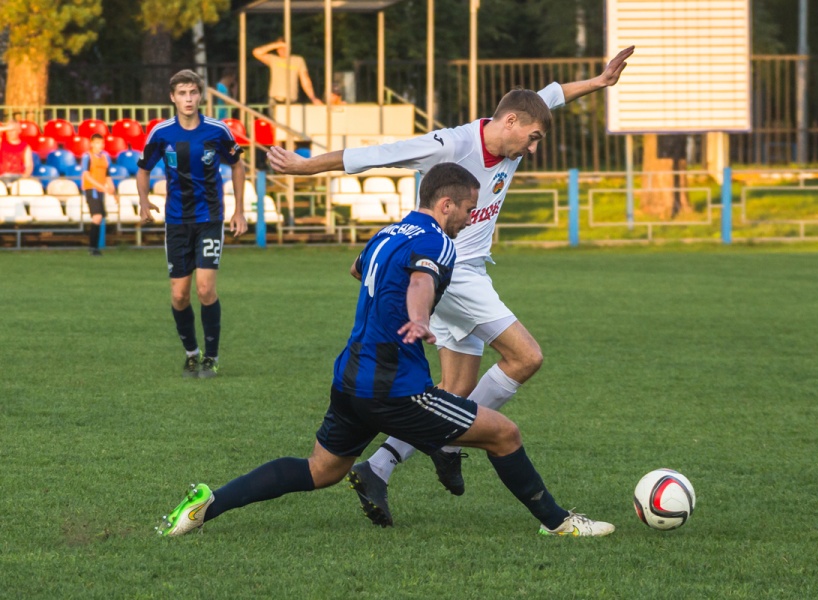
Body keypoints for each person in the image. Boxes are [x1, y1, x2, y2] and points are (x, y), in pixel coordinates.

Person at [266, 46, 635, 525]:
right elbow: (377, 155)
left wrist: (599, 82)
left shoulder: (518, 122)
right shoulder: (452, 145)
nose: (533, 149)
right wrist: (303, 167)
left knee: (456, 388)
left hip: (468, 269)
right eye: (533, 138)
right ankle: (449, 441)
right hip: (449, 268)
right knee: (526, 357)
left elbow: (552, 95)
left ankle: (379, 467)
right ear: (511, 122)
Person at [154, 162, 614, 538]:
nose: (471, 218)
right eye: (468, 209)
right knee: (504, 434)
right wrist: (418, 315)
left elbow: (358, 269)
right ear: (446, 204)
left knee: (321, 470)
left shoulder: (389, 232)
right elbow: (421, 280)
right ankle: (559, 523)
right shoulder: (439, 242)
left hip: (350, 376)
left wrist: (404, 300)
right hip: (395, 389)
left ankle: (208, 504)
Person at [136, 69, 248, 378]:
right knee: (179, 295)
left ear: (200, 96)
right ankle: (191, 353)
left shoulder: (217, 130)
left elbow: (237, 166)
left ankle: (211, 357)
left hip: (209, 218)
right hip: (176, 221)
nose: (188, 99)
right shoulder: (161, 132)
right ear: (172, 97)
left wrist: (239, 211)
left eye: (193, 93)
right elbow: (143, 168)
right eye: (182, 93)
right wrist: (143, 200)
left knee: (205, 289)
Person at [253, 39, 323, 107]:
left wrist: (313, 98)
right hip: (275, 100)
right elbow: (256, 52)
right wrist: (276, 45)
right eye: (280, 49)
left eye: (285, 48)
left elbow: (305, 80)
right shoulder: (273, 59)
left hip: (292, 100)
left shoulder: (298, 60)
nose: (282, 50)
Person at [81, 134, 119, 256]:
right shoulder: (87, 156)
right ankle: (93, 247)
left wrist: (113, 190)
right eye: (97, 143)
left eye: (101, 143)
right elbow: (86, 175)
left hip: (101, 190)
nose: (100, 145)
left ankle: (95, 247)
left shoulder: (104, 157)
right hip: (91, 189)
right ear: (92, 143)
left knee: (100, 217)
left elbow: (107, 175)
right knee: (97, 216)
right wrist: (101, 186)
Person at [0, 119, 34, 186]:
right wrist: (6, 128)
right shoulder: (1, 143)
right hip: (3, 177)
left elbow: (29, 166)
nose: (10, 133)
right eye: (8, 131)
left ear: (19, 131)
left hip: (19, 176)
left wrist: (23, 178)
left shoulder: (25, 146)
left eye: (13, 130)